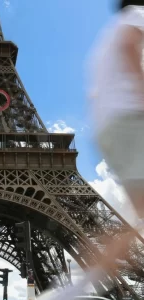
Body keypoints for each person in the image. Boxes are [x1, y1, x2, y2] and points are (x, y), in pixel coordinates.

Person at [87, 0, 144, 222]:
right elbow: (129, 46)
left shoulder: (111, 32)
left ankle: (101, 259)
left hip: (108, 124)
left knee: (140, 211)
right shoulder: (137, 14)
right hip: (127, 118)